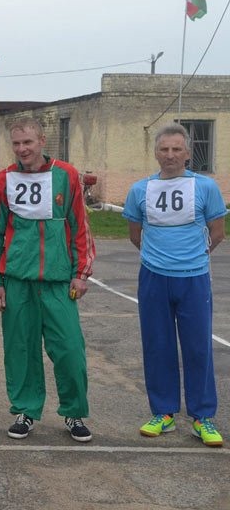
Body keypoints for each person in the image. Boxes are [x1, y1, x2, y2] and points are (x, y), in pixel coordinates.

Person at [0, 116, 95, 443]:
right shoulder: (2, 181)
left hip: (59, 281)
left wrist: (81, 273)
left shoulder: (67, 175)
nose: (22, 149)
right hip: (17, 281)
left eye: (28, 143)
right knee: (20, 349)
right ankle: (26, 409)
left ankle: (74, 412)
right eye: (16, 144)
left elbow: (80, 226)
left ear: (42, 141)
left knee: (70, 349)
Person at [123, 123, 225, 447]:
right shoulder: (140, 190)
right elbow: (135, 235)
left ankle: (202, 417)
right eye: (164, 149)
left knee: (197, 348)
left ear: (188, 152)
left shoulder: (206, 187)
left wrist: (193, 257)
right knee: (158, 345)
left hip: (194, 279)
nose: (170, 155)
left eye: (176, 149)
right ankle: (163, 413)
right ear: (156, 153)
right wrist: (160, 259)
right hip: (154, 278)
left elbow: (218, 232)